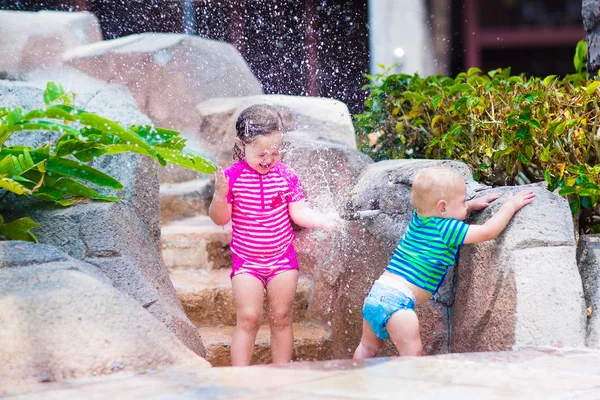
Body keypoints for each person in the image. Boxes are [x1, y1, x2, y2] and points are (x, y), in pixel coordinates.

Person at [353, 166, 536, 359]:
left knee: (367, 348)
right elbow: (487, 231)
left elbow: (445, 210)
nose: (466, 206)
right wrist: (510, 206)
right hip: (398, 303)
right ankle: (411, 388)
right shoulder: (448, 228)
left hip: (377, 293)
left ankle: (354, 379)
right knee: (412, 358)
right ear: (443, 208)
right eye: (463, 202)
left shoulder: (420, 218)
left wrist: (471, 205)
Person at [209, 104, 341, 366]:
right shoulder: (232, 178)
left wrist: (324, 220)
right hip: (247, 262)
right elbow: (220, 219)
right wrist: (219, 195)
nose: (268, 159)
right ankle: (241, 379)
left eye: (275, 152)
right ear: (241, 145)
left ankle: (282, 376)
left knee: (281, 317)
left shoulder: (287, 176)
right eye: (261, 154)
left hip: (282, 261)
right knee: (248, 318)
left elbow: (299, 212)